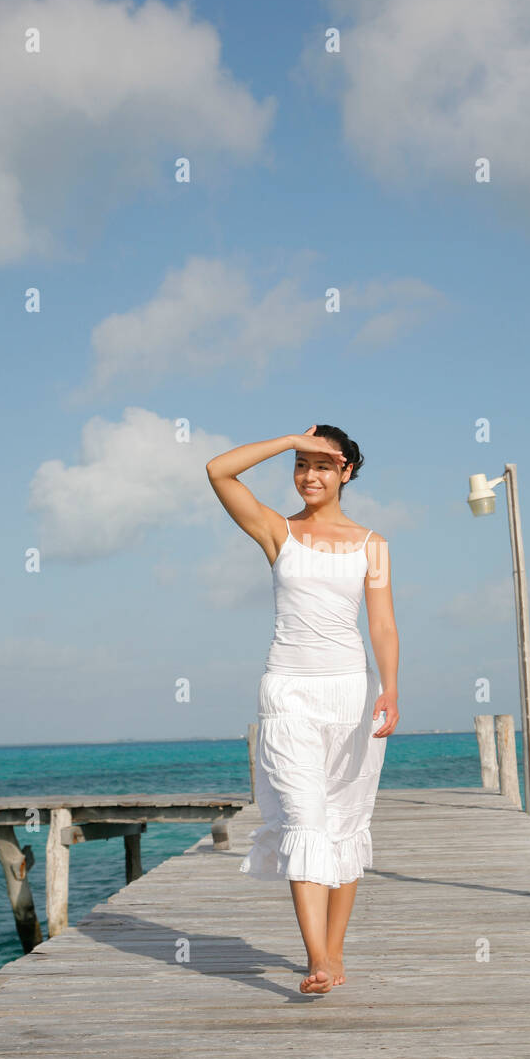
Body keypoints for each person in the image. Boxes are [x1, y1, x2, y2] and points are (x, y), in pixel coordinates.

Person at [206, 425, 400, 995]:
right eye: (300, 463)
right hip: (288, 692)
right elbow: (219, 470)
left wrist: (390, 688)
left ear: (345, 472)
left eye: (322, 465)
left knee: (344, 826)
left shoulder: (373, 545)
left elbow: (382, 623)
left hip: (352, 695)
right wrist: (289, 436)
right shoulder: (277, 531)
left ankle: (333, 953)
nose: (309, 475)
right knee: (305, 822)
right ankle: (316, 957)